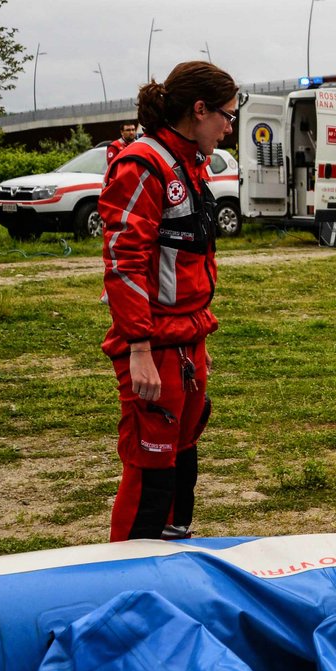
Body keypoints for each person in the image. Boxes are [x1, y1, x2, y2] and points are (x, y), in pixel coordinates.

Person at [99, 61, 237, 541]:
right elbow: (124, 260)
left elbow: (188, 258)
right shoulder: (142, 163)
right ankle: (129, 583)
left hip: (186, 339)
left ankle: (174, 566)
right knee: (151, 472)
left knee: (183, 466)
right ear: (198, 111)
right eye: (226, 115)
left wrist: (199, 336)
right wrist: (138, 348)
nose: (230, 127)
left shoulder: (191, 166)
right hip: (152, 343)